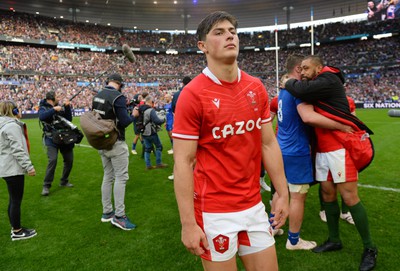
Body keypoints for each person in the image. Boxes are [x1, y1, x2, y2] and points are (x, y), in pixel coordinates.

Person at [172, 11, 289, 271]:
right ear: (202, 46)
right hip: (213, 211)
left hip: (253, 205)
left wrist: (282, 192)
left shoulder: (255, 87)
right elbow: (183, 161)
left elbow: (268, 144)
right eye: (219, 32)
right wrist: (188, 223)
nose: (229, 36)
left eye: (232, 32)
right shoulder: (192, 94)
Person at [284, 55, 377, 271]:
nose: (304, 72)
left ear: (319, 67)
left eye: (307, 68)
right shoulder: (317, 84)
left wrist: (288, 81)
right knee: (327, 194)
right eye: (302, 69)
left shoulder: (329, 79)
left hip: (339, 148)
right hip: (324, 149)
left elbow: (300, 90)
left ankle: (370, 248)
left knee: (349, 196)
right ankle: (334, 239)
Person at [277, 54, 353, 251]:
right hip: (296, 149)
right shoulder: (298, 91)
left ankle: (274, 227)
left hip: (282, 147)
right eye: (302, 69)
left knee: (280, 191)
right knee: (298, 195)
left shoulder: (282, 92)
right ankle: (294, 241)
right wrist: (341, 125)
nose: (304, 73)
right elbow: (308, 117)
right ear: (296, 70)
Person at [92, 73, 136, 231]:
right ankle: (119, 216)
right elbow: (124, 122)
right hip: (116, 141)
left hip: (102, 140)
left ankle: (107, 212)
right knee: (121, 178)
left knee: (108, 176)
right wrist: (134, 115)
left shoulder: (97, 95)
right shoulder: (118, 97)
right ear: (120, 84)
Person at [0, 101, 37, 241]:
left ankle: (15, 227)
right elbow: (17, 149)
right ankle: (17, 231)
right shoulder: (11, 126)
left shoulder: (4, 125)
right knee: (15, 200)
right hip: (12, 169)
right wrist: (29, 166)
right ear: (14, 111)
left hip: (6, 167)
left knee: (12, 199)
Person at [39, 91, 74, 196]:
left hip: (63, 138)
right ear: (51, 98)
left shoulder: (59, 107)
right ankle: (46, 185)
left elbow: (69, 119)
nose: (59, 98)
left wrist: (67, 108)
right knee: (53, 160)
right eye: (57, 97)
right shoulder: (43, 107)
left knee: (69, 160)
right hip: (50, 139)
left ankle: (64, 180)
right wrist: (54, 110)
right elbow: (42, 117)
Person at [134, 95, 168, 170]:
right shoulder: (150, 110)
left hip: (143, 132)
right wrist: (164, 119)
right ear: (151, 102)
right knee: (159, 147)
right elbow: (157, 121)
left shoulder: (140, 109)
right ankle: (159, 163)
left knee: (147, 148)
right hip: (151, 131)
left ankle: (148, 165)